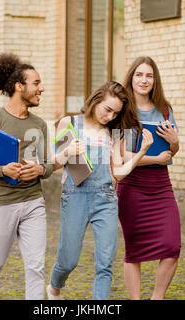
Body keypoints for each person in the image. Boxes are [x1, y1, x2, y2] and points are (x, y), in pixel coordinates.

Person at [47, 81, 153, 300]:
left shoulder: (113, 133)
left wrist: (142, 152)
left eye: (115, 113)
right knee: (69, 260)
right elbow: (54, 165)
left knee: (105, 263)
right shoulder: (69, 123)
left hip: (105, 199)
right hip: (74, 196)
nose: (110, 116)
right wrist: (68, 152)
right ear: (96, 100)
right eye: (107, 109)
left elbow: (118, 173)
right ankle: (54, 286)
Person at [0, 53, 54, 300]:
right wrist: (3, 170)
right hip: (2, 203)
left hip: (33, 202)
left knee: (36, 267)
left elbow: (47, 164)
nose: (41, 88)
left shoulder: (39, 124)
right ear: (20, 86)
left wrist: (39, 170)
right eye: (36, 83)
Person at [116, 56, 181, 300]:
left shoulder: (164, 109)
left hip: (161, 187)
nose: (144, 80)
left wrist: (175, 143)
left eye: (149, 76)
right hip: (131, 187)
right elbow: (119, 156)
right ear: (131, 78)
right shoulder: (121, 109)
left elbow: (171, 150)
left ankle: (157, 297)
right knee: (134, 252)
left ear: (155, 80)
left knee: (172, 247)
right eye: (139, 75)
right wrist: (154, 158)